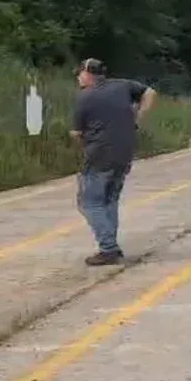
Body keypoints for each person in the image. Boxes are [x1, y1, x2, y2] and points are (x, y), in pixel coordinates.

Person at [70, 58, 157, 266]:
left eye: (80, 73)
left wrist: (85, 143)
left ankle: (109, 248)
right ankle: (110, 245)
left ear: (88, 73)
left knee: (89, 203)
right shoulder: (123, 85)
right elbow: (150, 93)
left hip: (99, 156)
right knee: (110, 200)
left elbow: (76, 132)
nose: (78, 77)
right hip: (124, 153)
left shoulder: (85, 97)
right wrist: (137, 117)